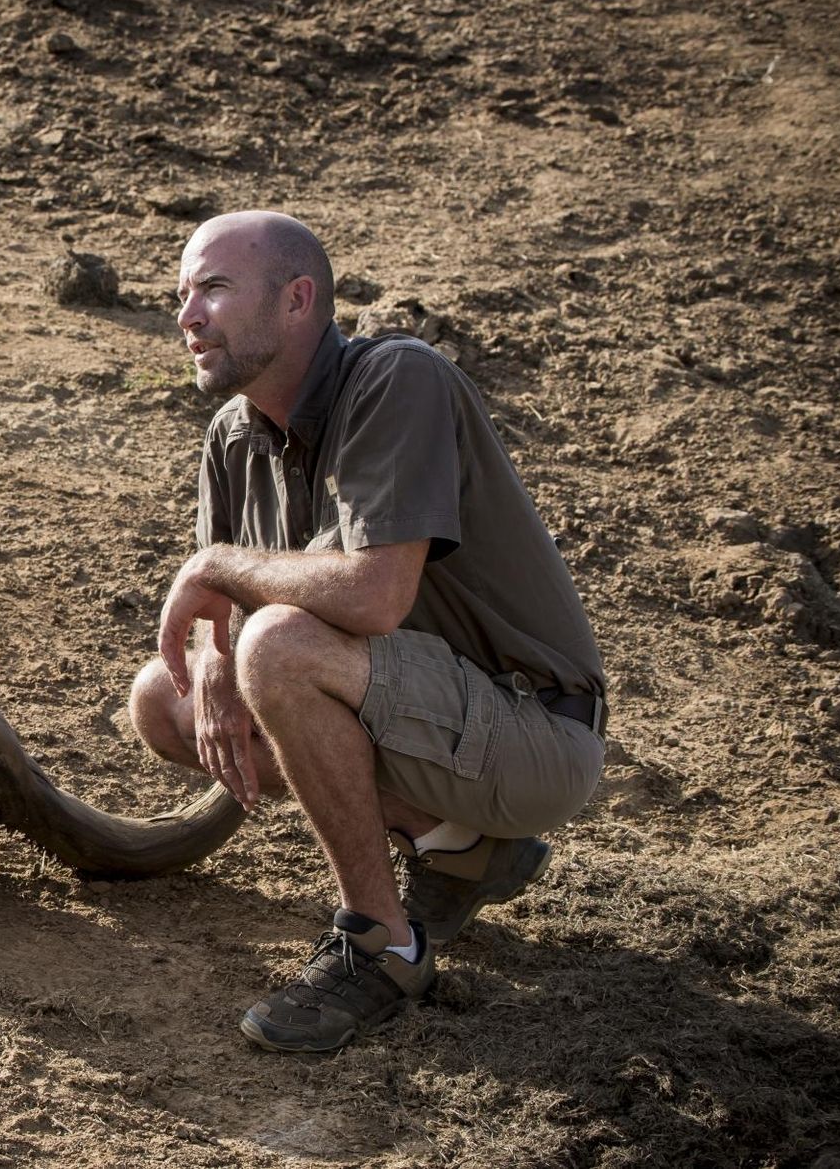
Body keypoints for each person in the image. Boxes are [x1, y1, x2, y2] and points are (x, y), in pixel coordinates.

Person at [128, 211, 605, 1053]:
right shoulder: (232, 434)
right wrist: (211, 657)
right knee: (163, 701)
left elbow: (375, 595)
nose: (186, 316)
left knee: (276, 647)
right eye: (180, 295)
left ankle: (382, 946)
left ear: (298, 300)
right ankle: (455, 843)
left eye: (213, 288)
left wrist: (218, 581)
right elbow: (222, 602)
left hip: (531, 729)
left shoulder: (397, 377)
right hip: (415, 712)